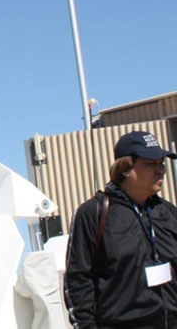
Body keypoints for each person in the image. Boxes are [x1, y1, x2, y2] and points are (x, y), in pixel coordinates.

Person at [64, 130, 177, 328]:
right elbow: (78, 279)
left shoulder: (167, 212)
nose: (160, 170)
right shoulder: (95, 213)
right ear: (125, 168)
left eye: (161, 163)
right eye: (151, 163)